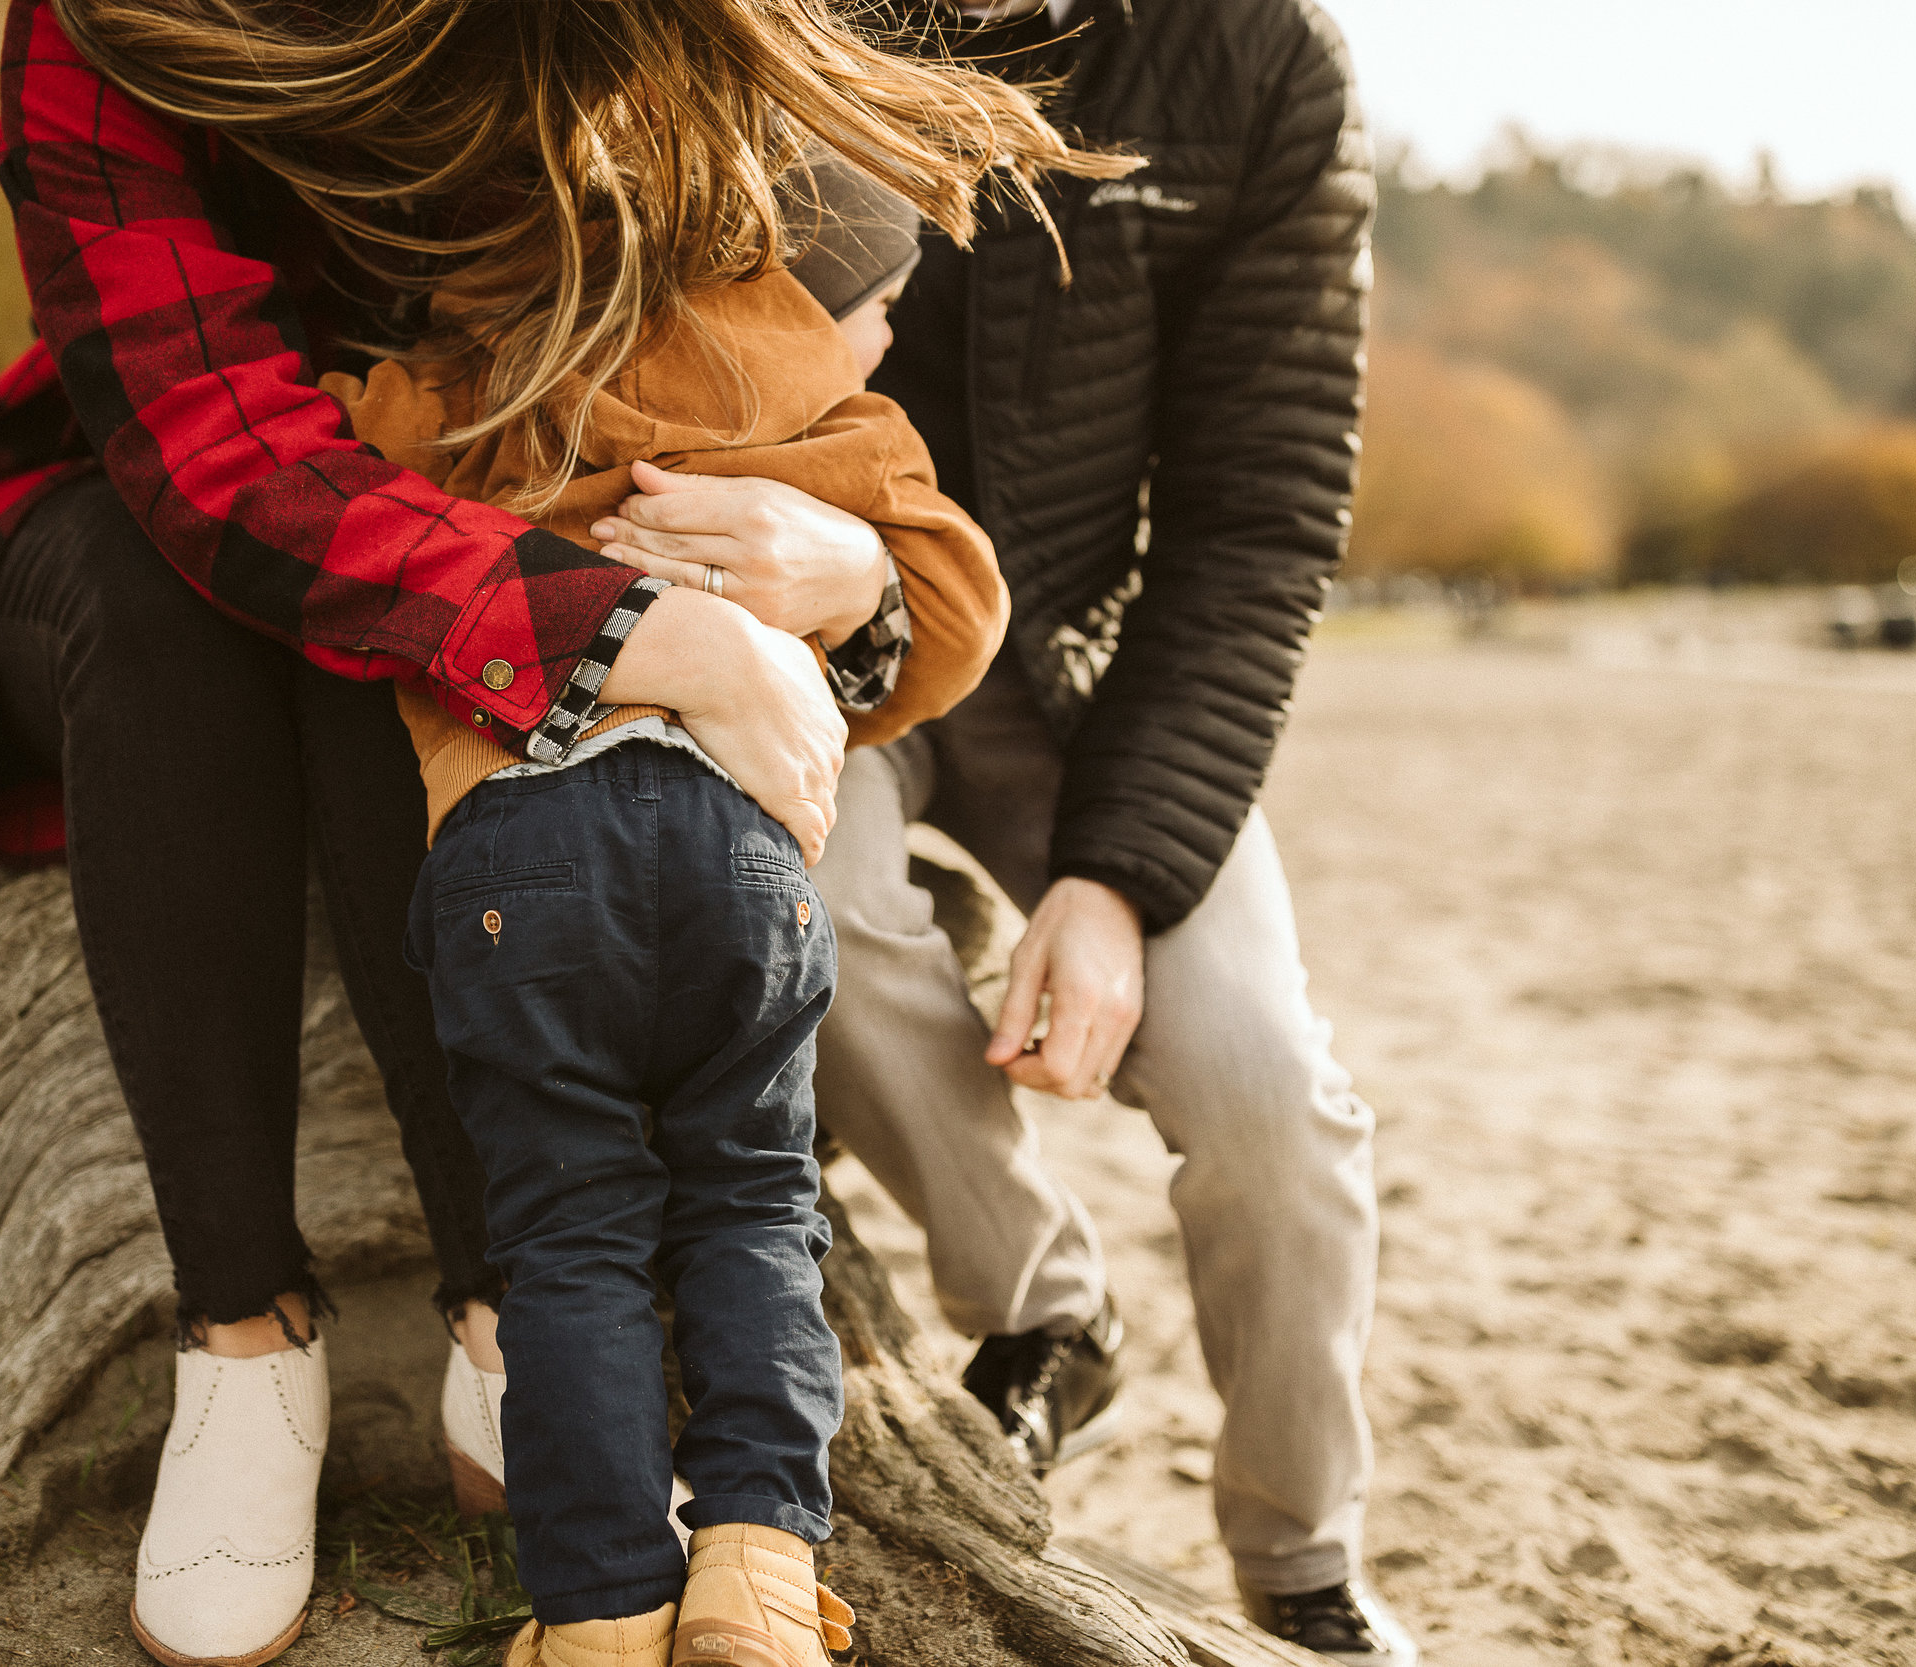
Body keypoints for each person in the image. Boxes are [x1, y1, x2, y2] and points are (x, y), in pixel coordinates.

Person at [0, 3, 1113, 1664]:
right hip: (145, 498)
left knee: (402, 644)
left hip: (501, 510)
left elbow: (779, 423)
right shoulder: (114, 30)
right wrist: (632, 635)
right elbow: (226, 459)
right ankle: (244, 1331)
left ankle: (504, 1315)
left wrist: (852, 576)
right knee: (219, 601)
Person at [587, 1, 1417, 1662]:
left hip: (1089, 666)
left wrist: (1115, 880)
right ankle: (1047, 1310)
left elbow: (1257, 524)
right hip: (802, 632)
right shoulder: (746, 21)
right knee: (798, 907)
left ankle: (1301, 1554)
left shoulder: (1259, 56)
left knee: (1268, 1096)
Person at [333, 132, 1029, 1662]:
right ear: (799, 285)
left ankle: (594, 1616)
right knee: (755, 1206)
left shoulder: (476, 376)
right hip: (739, 849)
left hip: (522, 846)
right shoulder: (839, 426)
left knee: (568, 1235)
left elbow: (330, 496)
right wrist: (857, 574)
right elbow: (965, 613)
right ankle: (758, 1578)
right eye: (885, 294)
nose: (895, 327)